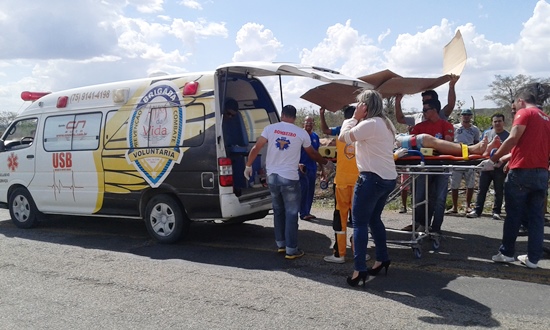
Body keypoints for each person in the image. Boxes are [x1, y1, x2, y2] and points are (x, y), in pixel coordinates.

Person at [244, 105, 334, 260]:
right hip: (290, 179)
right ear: (295, 117)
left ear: (282, 114)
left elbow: (256, 147)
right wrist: (325, 163)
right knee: (291, 214)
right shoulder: (300, 133)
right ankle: (291, 249)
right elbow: (312, 153)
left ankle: (281, 244)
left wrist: (248, 166)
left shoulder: (270, 129)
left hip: (273, 177)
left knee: (278, 211)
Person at [339, 90, 397, 287]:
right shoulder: (386, 123)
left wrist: (352, 119)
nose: (357, 107)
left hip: (371, 178)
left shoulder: (369, 124)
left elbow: (343, 138)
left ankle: (359, 269)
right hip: (388, 178)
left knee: (360, 223)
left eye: (359, 104)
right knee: (374, 218)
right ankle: (382, 258)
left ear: (365, 106)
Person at [489, 83, 550, 269]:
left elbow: (513, 138)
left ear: (521, 100)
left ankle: (506, 253)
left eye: (515, 103)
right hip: (541, 172)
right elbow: (525, 146)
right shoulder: (546, 118)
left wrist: (496, 156)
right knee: (537, 218)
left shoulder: (525, 113)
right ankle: (532, 259)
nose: (514, 108)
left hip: (521, 172)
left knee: (514, 214)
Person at [400, 98, 454, 234]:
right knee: (420, 197)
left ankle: (436, 229)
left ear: (434, 110)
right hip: (423, 166)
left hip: (442, 166)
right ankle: (420, 224)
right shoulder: (419, 127)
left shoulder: (446, 125)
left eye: (425, 110)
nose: (423, 113)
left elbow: (447, 145)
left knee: (440, 199)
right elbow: (411, 143)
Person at [320, 106, 364, 264]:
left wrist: (322, 113)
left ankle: (340, 254)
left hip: (342, 182)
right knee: (360, 219)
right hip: (360, 182)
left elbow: (325, 130)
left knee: (340, 217)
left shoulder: (341, 130)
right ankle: (360, 252)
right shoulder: (363, 130)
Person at [467, 113, 509, 219]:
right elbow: (482, 150)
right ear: (492, 123)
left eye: (499, 121)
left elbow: (510, 152)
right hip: (486, 166)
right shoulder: (487, 134)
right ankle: (477, 210)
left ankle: (496, 211)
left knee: (498, 190)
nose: (497, 123)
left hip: (499, 166)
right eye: (495, 121)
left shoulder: (508, 136)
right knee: (482, 189)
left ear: (503, 122)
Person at [447, 109, 481, 214]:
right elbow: (450, 141)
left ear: (471, 116)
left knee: (470, 183)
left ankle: (468, 206)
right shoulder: (454, 127)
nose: (466, 117)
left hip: (469, 157)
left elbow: (476, 143)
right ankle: (454, 207)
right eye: (464, 115)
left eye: (468, 115)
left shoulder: (475, 130)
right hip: (457, 156)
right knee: (454, 184)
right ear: (461, 116)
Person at [394, 74, 460, 125]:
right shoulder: (417, 117)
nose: (425, 103)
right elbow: (400, 119)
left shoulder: (440, 115)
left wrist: (451, 86)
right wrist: (397, 102)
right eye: (424, 101)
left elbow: (450, 106)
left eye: (428, 101)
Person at [299, 116, 324, 220]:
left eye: (310, 123)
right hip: (302, 168)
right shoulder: (299, 135)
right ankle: (303, 213)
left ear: (313, 124)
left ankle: (307, 212)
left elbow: (317, 153)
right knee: (303, 189)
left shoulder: (315, 136)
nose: (308, 124)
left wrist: (322, 169)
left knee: (310, 191)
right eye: (306, 122)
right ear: (303, 124)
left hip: (312, 167)